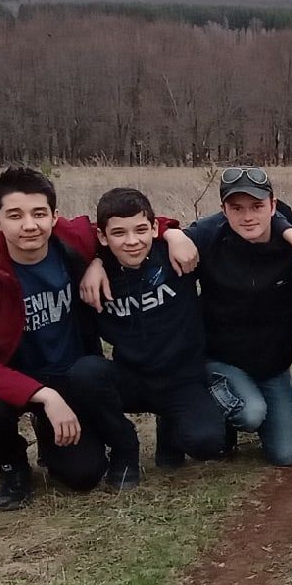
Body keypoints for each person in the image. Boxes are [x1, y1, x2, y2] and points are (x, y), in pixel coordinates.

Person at [0, 167, 179, 508]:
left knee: (83, 475)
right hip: (9, 381)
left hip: (71, 376)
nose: (29, 225)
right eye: (15, 215)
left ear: (55, 217)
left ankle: (51, 435)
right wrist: (44, 397)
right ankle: (13, 466)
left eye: (39, 213)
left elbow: (132, 225)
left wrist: (173, 235)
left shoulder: (72, 241)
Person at [88, 187, 229, 473]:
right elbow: (56, 236)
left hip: (182, 378)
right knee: (84, 374)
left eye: (141, 230)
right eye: (118, 234)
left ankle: (171, 428)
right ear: (102, 237)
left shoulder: (176, 252)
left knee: (209, 441)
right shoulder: (91, 274)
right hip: (132, 377)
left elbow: (232, 219)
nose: (132, 241)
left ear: (154, 228)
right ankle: (124, 445)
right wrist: (94, 260)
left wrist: (174, 232)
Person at [185, 165, 292, 467]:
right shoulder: (208, 239)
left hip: (272, 367)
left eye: (257, 206)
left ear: (273, 205)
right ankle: (219, 411)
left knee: (287, 455)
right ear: (223, 211)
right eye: (236, 208)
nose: (247, 216)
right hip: (220, 359)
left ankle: (271, 406)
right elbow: (148, 238)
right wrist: (173, 235)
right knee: (251, 412)